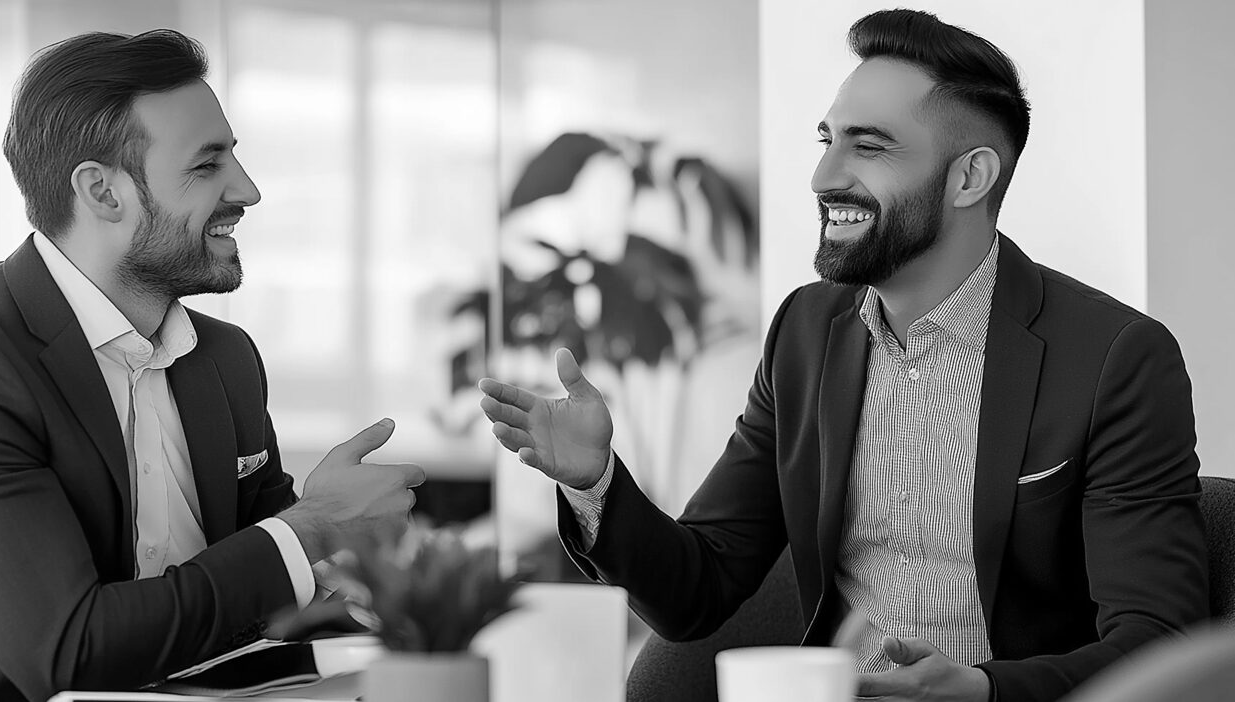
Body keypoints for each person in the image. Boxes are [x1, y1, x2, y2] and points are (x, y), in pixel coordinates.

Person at [478, 9, 1208, 702]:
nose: (824, 177)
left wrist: (983, 690)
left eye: (868, 145)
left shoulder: (1113, 358)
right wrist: (595, 483)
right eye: (826, 140)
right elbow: (696, 590)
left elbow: (1154, 644)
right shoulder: (806, 330)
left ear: (968, 178)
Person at [0, 30, 424, 702]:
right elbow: (69, 654)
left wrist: (401, 588)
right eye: (207, 166)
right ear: (103, 193)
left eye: (234, 156)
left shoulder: (225, 361)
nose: (248, 190)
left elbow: (262, 587)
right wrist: (309, 527)